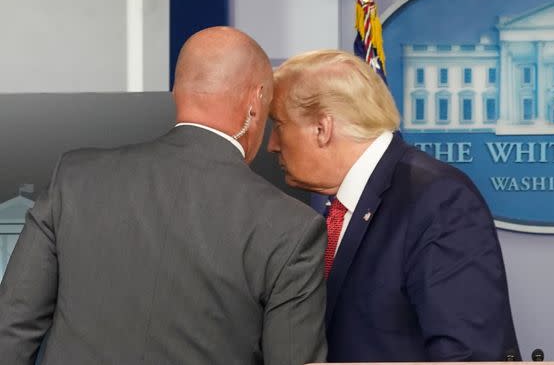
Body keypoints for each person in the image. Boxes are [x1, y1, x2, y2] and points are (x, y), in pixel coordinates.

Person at [0, 27, 327, 365]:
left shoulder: (75, 179)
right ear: (255, 103)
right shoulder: (291, 228)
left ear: (176, 92)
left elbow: (10, 333)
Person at [268, 49, 520, 362]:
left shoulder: (439, 200)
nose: (272, 145)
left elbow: (470, 355)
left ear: (323, 128)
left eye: (278, 125)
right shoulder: (340, 206)